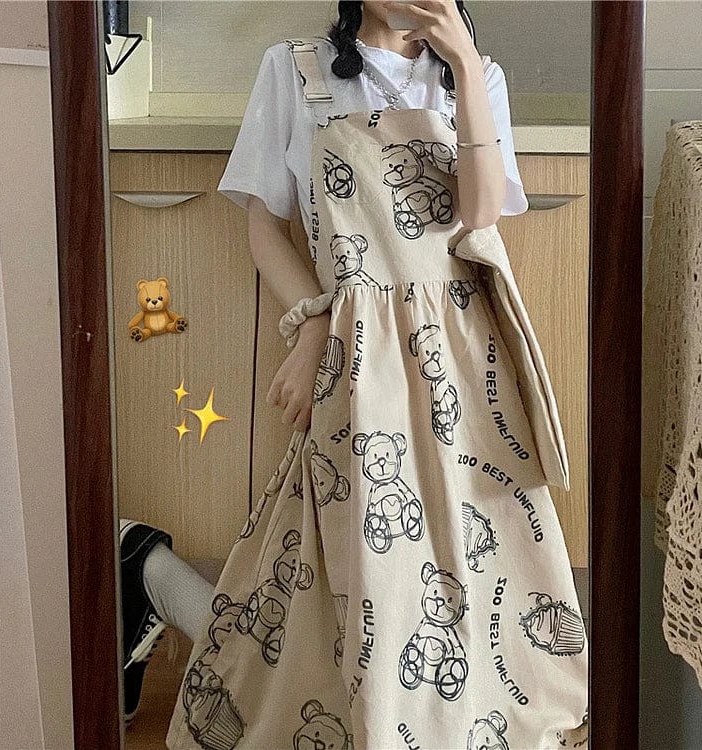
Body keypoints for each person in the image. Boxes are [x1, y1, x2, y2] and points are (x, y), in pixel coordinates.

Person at [122, 2, 590, 747]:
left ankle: (464, 715)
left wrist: (466, 67)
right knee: (356, 539)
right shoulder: (297, 70)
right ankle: (361, 711)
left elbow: (479, 213)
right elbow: (263, 224)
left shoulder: (478, 78)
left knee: (482, 533)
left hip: (464, 345)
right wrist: (312, 323)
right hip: (356, 345)